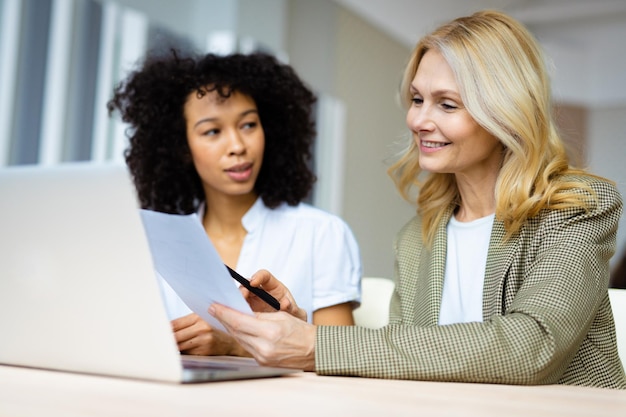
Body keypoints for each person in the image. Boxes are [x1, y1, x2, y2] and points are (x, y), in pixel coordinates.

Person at [208, 10, 626, 389]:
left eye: (447, 104)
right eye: (417, 99)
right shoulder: (417, 238)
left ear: (505, 112)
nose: (419, 121)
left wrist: (317, 345)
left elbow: (532, 347)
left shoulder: (577, 210)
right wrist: (295, 332)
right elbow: (406, 358)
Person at [107, 51, 361, 357]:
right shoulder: (155, 241)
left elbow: (343, 358)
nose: (238, 146)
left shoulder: (322, 234)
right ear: (181, 147)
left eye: (249, 125)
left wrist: (234, 345)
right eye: (213, 131)